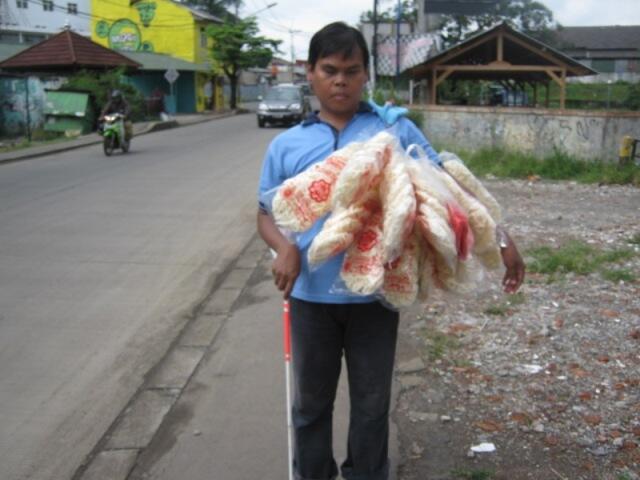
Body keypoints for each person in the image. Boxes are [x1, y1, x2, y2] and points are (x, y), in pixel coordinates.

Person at [257, 22, 525, 480]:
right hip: (310, 299)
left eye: (351, 70)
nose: (340, 80)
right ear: (311, 73)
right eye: (330, 70)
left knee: (371, 404)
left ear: (366, 76)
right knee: (310, 405)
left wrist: (500, 239)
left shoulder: (393, 129)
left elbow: (448, 188)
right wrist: (284, 247)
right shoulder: (287, 145)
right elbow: (265, 213)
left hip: (376, 297)